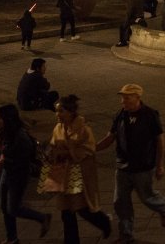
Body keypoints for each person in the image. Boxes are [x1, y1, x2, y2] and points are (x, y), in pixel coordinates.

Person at [96, 84, 165, 243]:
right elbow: (111, 136)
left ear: (138, 97)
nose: (123, 101)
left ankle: (163, 207)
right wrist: (93, 148)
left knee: (147, 197)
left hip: (143, 167)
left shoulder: (150, 115)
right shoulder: (120, 115)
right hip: (123, 166)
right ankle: (126, 234)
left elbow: (160, 140)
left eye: (127, 97)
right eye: (122, 97)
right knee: (120, 201)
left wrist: (160, 165)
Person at [49, 95, 113, 243]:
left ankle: (103, 222)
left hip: (78, 174)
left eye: (61, 111)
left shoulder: (83, 129)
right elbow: (53, 146)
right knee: (66, 211)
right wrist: (51, 154)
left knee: (81, 208)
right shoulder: (58, 128)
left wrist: (67, 152)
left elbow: (89, 149)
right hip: (62, 174)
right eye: (56, 111)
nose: (57, 114)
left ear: (71, 112)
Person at [0, 104, 52, 244]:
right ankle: (12, 238)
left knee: (14, 208)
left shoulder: (20, 136)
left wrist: (5, 161)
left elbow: (23, 159)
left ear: (7, 119)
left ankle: (42, 218)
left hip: (19, 175)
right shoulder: (6, 132)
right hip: (7, 173)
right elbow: (6, 151)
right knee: (4, 207)